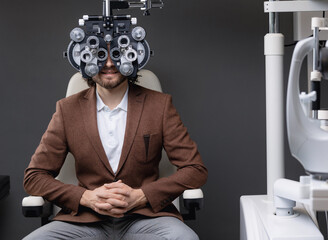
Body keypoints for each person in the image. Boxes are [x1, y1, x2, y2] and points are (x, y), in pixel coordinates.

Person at [23, 48, 208, 239]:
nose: (109, 64)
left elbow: (195, 170)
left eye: (118, 55)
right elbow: (34, 177)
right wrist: (86, 197)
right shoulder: (67, 110)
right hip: (85, 220)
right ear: (85, 61)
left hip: (146, 218)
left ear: (134, 58)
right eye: (100, 55)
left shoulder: (159, 105)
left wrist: (141, 195)